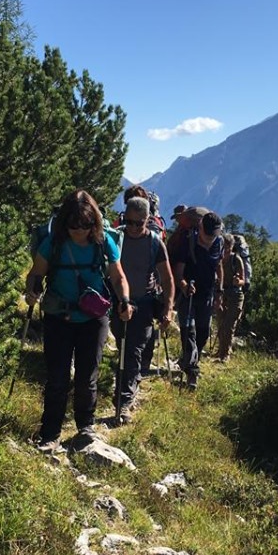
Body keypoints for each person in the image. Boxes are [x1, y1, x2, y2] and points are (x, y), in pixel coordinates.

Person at [25, 190, 133, 452]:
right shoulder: (53, 242)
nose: (79, 231)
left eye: (84, 225)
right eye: (73, 225)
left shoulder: (104, 240)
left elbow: (118, 276)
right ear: (65, 222)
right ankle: (50, 432)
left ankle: (85, 426)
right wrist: (31, 291)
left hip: (93, 319)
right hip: (58, 317)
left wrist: (125, 300)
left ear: (93, 222)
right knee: (57, 377)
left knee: (87, 376)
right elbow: (36, 273)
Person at [111, 196, 175, 423]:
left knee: (133, 350)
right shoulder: (116, 238)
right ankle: (129, 383)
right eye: (129, 222)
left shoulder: (155, 243)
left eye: (139, 223)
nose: (134, 227)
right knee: (123, 345)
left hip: (144, 304)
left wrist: (168, 309)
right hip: (118, 302)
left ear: (148, 220)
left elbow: (167, 279)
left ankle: (124, 401)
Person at [171, 211, 224, 390]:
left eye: (213, 235)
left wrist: (219, 293)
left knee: (202, 336)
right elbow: (178, 273)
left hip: (207, 297)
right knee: (190, 335)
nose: (210, 239)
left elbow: (219, 267)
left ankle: (188, 361)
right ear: (200, 228)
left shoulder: (219, 243)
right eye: (207, 235)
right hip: (188, 297)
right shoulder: (188, 242)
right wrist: (185, 286)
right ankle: (192, 373)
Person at [215, 233, 246, 361]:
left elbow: (243, 280)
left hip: (235, 295)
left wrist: (237, 281)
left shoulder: (236, 260)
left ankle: (225, 354)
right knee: (221, 323)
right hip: (221, 294)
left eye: (228, 247)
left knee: (229, 324)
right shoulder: (218, 258)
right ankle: (221, 351)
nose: (226, 249)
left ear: (232, 246)